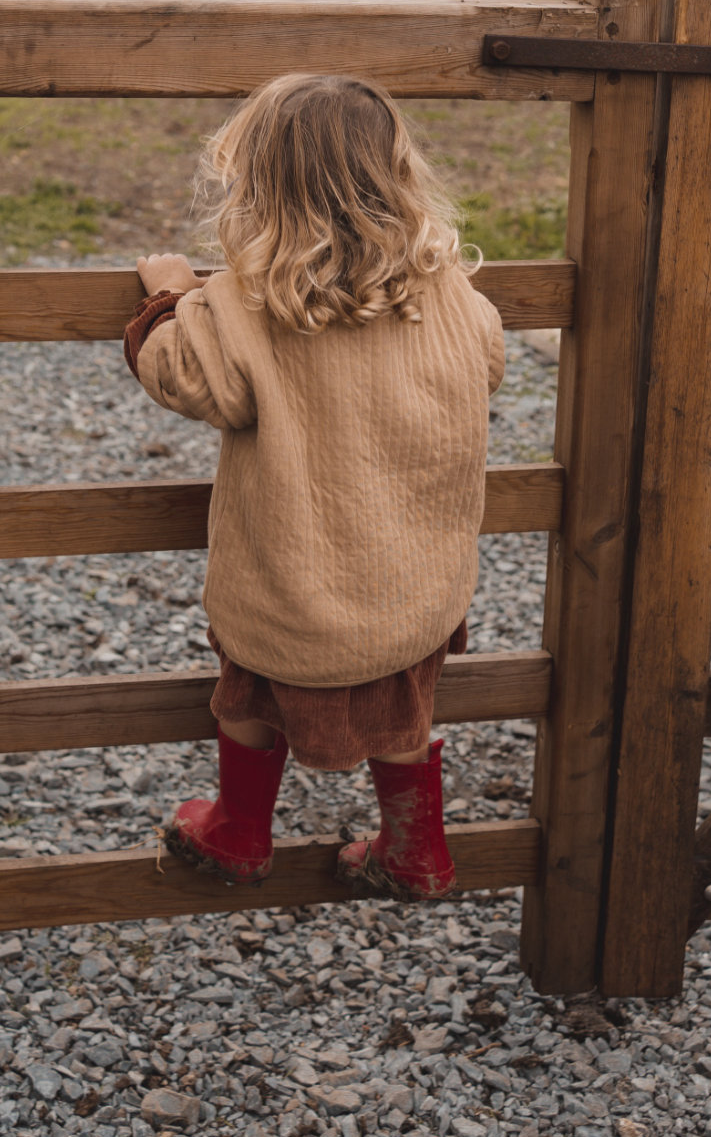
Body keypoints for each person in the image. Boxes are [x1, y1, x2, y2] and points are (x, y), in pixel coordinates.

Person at [122, 72, 504, 901]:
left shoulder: (243, 304)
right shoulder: (447, 292)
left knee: (248, 700)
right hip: (413, 590)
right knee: (406, 716)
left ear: (260, 186)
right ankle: (416, 852)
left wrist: (168, 297)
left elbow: (186, 376)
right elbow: (490, 363)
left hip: (290, 589)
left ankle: (238, 831)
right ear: (399, 174)